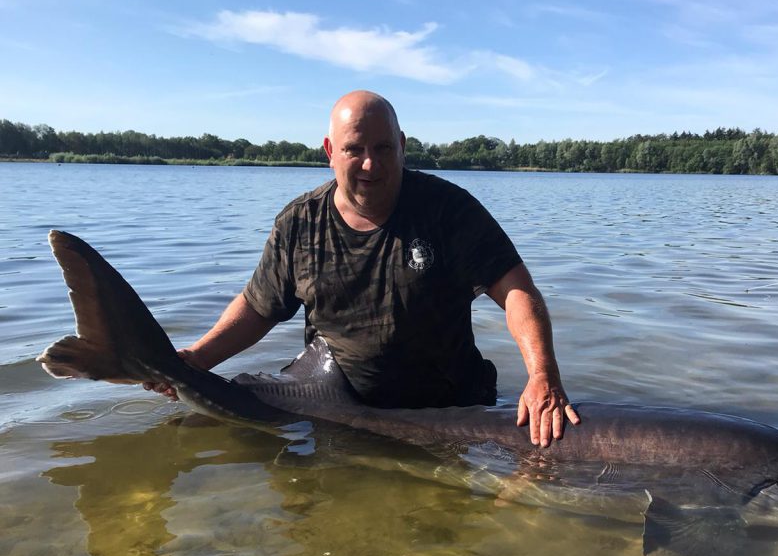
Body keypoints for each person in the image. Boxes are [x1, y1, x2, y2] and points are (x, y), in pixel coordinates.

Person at [146, 90, 579, 447]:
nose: (371, 163)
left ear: (403, 145)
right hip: (337, 413)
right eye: (355, 150)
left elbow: (517, 290)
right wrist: (196, 359)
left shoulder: (449, 210)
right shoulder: (300, 223)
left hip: (455, 414)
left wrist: (543, 376)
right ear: (330, 152)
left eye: (383, 148)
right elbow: (259, 307)